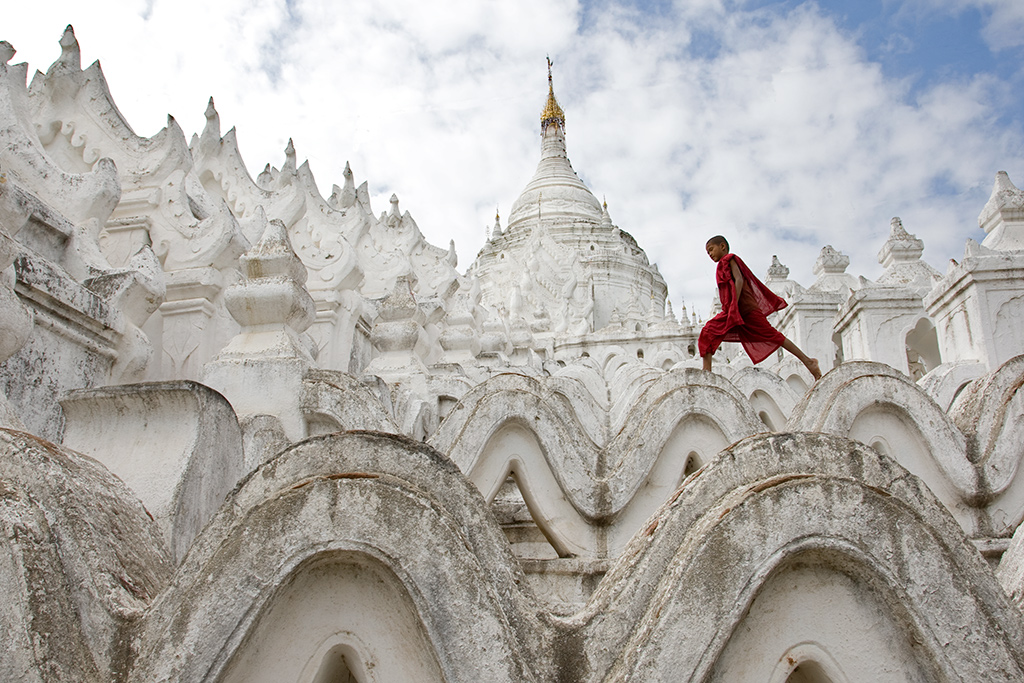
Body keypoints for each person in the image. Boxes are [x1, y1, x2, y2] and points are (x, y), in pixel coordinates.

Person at [698, 235, 821, 380]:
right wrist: (730, 309)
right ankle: (707, 374)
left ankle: (809, 362)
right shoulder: (720, 266)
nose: (710, 254)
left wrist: (734, 305)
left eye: (711, 250)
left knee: (772, 335)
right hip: (730, 310)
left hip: (744, 308)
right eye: (708, 253)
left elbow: (739, 279)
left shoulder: (730, 259)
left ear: (722, 247)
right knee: (708, 332)